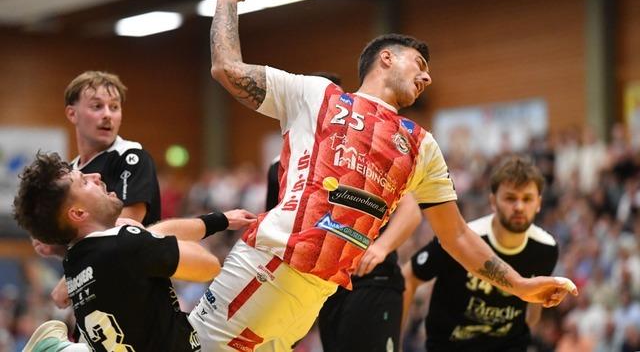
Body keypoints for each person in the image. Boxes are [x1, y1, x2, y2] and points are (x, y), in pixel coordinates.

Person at [189, 0, 577, 351]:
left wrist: (519, 286)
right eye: (419, 64)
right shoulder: (318, 95)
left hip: (317, 295)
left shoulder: (421, 145)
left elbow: (457, 236)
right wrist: (227, 1)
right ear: (386, 58)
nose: (426, 77)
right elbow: (227, 69)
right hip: (270, 264)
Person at [13, 152, 256, 351]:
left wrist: (218, 221)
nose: (96, 176)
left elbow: (148, 240)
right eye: (84, 182)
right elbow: (208, 266)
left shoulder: (75, 262)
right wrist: (138, 235)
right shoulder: (126, 244)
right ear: (78, 213)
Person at [265, 72, 422, 352]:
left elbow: (410, 210)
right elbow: (277, 229)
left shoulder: (368, 149)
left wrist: (381, 248)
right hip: (320, 289)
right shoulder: (280, 165)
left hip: (371, 281)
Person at [401, 156, 560, 351]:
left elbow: (533, 313)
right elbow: (408, 276)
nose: (519, 207)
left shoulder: (547, 248)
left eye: (527, 199)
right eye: (510, 198)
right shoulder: (461, 239)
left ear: (539, 203)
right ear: (493, 201)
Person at [64, 70, 160, 225]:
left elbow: (126, 224)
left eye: (114, 107)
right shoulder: (70, 173)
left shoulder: (132, 156)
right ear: (72, 114)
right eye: (97, 106)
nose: (107, 115)